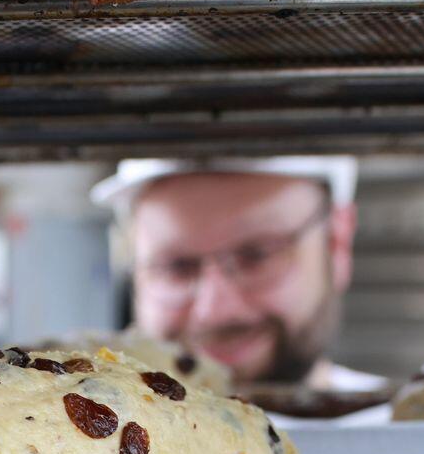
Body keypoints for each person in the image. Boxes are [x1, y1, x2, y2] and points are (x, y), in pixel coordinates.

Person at [91, 157, 383, 394]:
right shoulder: (84, 444)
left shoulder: (402, 434)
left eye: (257, 255)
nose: (213, 312)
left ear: (337, 244)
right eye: (176, 266)